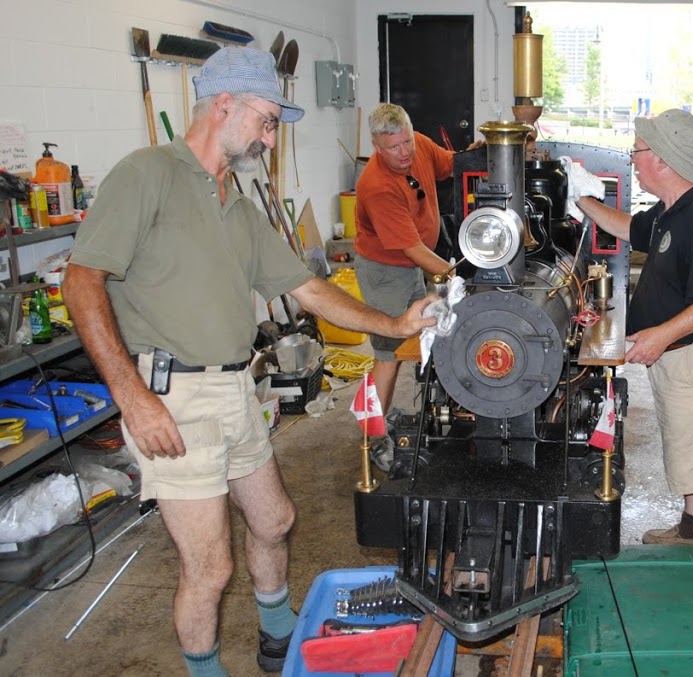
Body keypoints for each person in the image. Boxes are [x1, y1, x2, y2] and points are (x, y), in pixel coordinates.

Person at [62, 48, 436, 677]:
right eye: (266, 120)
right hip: (174, 399)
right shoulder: (147, 174)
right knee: (210, 568)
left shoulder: (235, 201)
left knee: (275, 519)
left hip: (236, 387)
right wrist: (132, 397)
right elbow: (81, 282)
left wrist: (395, 325)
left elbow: (308, 289)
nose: (270, 137)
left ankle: (278, 637)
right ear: (224, 105)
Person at [575, 108, 693, 568]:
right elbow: (627, 228)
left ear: (662, 159)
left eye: (636, 151)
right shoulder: (671, 209)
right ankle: (687, 533)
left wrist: (659, 335)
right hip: (680, 360)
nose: (632, 160)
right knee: (690, 453)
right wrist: (581, 198)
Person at [353, 103, 480, 470]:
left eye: (406, 141)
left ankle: (402, 414)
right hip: (385, 270)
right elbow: (411, 248)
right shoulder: (377, 187)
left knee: (423, 339)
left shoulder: (419, 144)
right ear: (376, 146)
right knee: (389, 353)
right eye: (393, 147)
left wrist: (479, 154)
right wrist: (458, 275)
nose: (404, 152)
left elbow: (450, 165)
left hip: (414, 263)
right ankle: (372, 438)